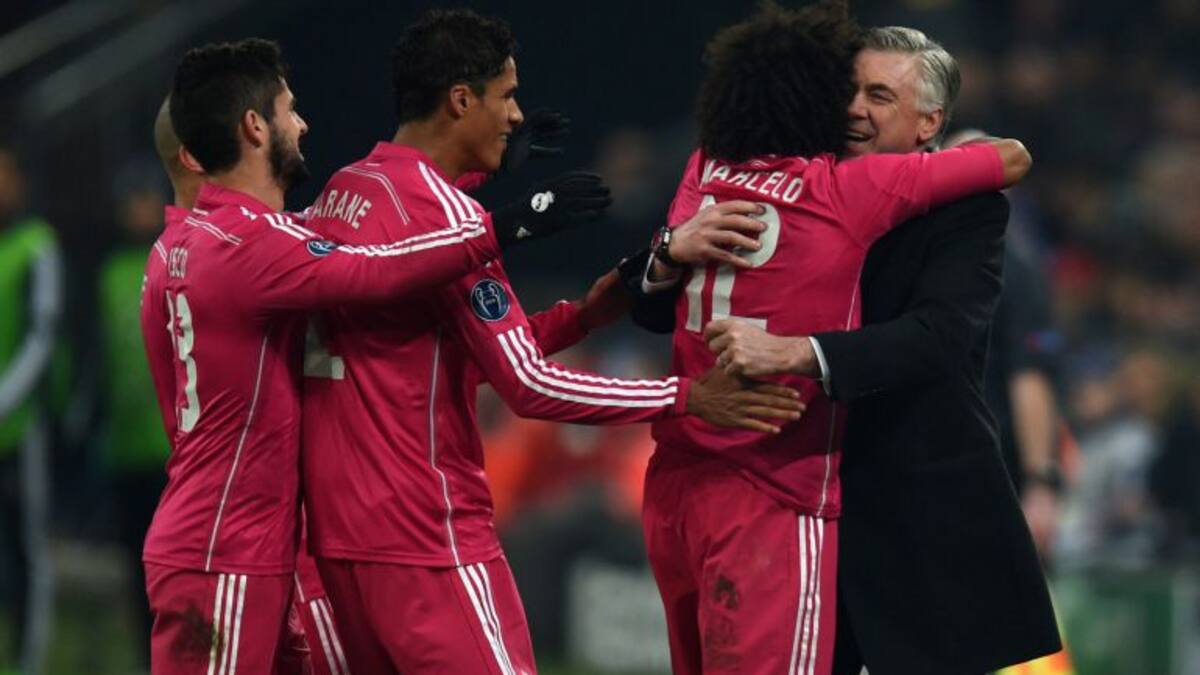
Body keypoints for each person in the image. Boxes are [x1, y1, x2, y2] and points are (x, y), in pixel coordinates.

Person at [297, 9, 804, 674]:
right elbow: (528, 385)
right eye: (507, 96)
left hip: (342, 543)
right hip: (426, 534)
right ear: (461, 100)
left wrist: (581, 317)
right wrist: (688, 396)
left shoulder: (345, 191)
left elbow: (432, 355)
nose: (516, 116)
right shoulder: (451, 222)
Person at [140, 37, 611, 674]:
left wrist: (472, 172)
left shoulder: (182, 249)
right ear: (253, 127)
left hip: (246, 540)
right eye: (288, 109)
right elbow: (376, 268)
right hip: (229, 548)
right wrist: (507, 223)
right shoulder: (249, 247)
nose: (303, 124)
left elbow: (364, 238)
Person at [632, 5, 1034, 673]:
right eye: (849, 89)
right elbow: (654, 310)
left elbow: (938, 339)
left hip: (902, 498)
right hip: (786, 486)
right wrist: (668, 250)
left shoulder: (963, 209)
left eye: (880, 95)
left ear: (929, 122)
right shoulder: (812, 178)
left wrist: (799, 351)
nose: (854, 108)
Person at [0, 144, 62, 675]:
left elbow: (43, 336)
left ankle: (30, 659)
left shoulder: (36, 244)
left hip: (21, 428)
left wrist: (4, 399)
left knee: (28, 544)